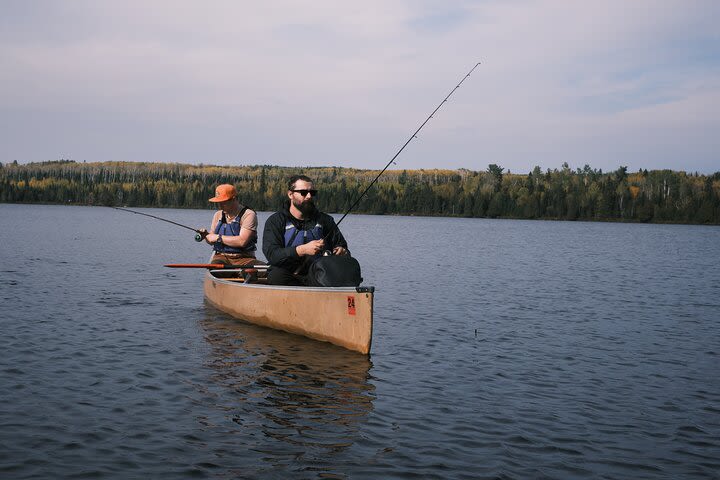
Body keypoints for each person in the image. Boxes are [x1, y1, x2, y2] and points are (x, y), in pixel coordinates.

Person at [262, 175, 349, 286]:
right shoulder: (275, 221)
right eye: (303, 193)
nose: (309, 196)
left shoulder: (325, 220)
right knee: (276, 276)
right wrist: (302, 250)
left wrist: (342, 251)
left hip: (319, 275)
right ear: (290, 194)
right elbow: (272, 255)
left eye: (312, 193)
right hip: (286, 275)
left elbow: (344, 249)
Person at [201, 184, 262, 267]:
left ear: (233, 199)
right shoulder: (217, 215)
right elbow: (211, 241)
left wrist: (218, 238)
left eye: (223, 202)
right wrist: (206, 236)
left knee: (264, 271)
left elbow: (242, 241)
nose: (220, 206)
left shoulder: (248, 214)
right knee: (215, 268)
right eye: (218, 203)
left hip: (245, 259)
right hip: (221, 257)